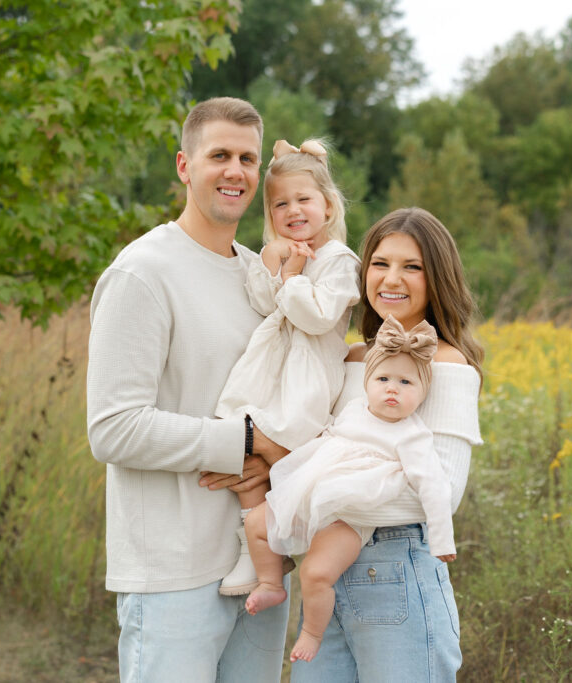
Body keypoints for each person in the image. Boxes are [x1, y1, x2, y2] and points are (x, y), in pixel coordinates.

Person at [86, 97, 291, 682]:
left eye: (248, 158)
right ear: (184, 165)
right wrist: (248, 442)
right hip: (173, 571)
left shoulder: (262, 275)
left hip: (261, 559)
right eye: (219, 155)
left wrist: (281, 456)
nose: (236, 171)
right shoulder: (142, 273)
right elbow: (113, 427)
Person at [290, 207, 485, 682]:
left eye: (412, 267)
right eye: (380, 263)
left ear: (437, 278)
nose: (391, 279)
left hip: (397, 567)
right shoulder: (351, 356)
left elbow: (439, 490)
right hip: (327, 574)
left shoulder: (448, 365)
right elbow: (322, 444)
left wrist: (319, 493)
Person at [243, 315, 457, 664]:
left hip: (349, 516)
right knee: (255, 524)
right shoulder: (354, 410)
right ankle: (271, 583)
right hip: (311, 492)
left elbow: (433, 486)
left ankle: (312, 632)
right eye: (383, 379)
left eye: (406, 382)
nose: (392, 388)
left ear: (423, 394)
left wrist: (442, 538)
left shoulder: (412, 435)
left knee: (317, 572)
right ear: (367, 383)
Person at [215, 138, 360, 595]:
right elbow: (263, 303)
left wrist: (295, 276)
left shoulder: (340, 261)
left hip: (306, 382)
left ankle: (273, 555)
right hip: (272, 375)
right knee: (239, 444)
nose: (293, 211)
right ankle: (258, 553)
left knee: (267, 452)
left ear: (329, 207)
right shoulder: (283, 254)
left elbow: (316, 317)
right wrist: (276, 264)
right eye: (281, 204)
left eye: (304, 200)